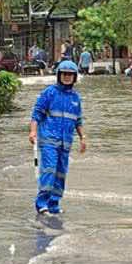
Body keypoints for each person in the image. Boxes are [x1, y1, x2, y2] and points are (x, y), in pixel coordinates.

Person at [29, 58, 87, 215]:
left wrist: (83, 137)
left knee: (61, 174)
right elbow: (37, 114)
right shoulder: (49, 93)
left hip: (65, 142)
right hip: (49, 140)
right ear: (59, 75)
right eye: (64, 74)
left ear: (74, 77)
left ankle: (54, 204)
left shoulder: (75, 98)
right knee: (49, 170)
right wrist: (33, 131)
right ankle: (42, 204)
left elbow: (78, 120)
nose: (67, 77)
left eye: (70, 74)